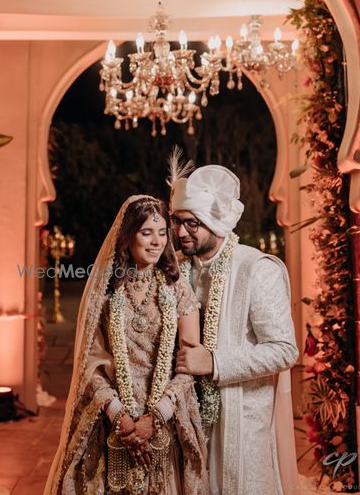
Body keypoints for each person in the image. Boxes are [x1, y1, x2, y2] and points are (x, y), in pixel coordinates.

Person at [44, 195, 209, 495]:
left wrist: (156, 416)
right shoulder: (106, 290)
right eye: (146, 233)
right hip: (113, 419)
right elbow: (89, 364)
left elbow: (190, 365)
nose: (157, 242)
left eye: (162, 233)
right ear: (128, 236)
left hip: (165, 417)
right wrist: (119, 416)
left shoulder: (178, 289)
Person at [168, 152, 299, 495]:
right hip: (185, 423)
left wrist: (214, 362)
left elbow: (284, 351)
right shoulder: (175, 271)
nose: (180, 232)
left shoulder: (257, 269)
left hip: (241, 429)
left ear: (216, 221)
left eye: (191, 223)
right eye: (176, 221)